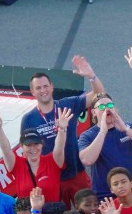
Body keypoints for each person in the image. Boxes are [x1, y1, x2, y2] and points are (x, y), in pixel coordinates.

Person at [20, 59, 104, 204]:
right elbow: (26, 152)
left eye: (46, 86)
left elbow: (99, 94)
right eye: (38, 88)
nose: (43, 90)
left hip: (76, 172)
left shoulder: (68, 104)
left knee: (88, 212)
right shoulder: (28, 119)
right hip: (51, 179)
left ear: (52, 87)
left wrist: (91, 76)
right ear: (32, 91)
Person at [0, 107, 69, 214]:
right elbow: (5, 149)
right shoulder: (17, 165)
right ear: (21, 147)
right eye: (28, 145)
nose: (33, 148)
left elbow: (60, 146)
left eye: (36, 144)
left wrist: (62, 130)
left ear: (42, 144)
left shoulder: (53, 161)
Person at [79, 98, 132, 199]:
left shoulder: (127, 127)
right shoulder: (88, 135)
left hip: (130, 192)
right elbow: (87, 160)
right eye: (102, 107)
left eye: (110, 105)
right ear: (94, 112)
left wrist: (125, 129)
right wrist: (103, 131)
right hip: (105, 195)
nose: (107, 109)